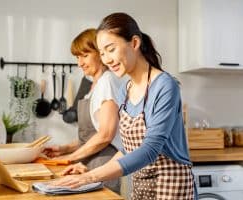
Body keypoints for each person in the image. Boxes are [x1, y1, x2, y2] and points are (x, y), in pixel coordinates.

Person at [50, 13, 197, 200]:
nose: (107, 59)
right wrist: (91, 169)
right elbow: (129, 148)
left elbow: (150, 149)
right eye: (102, 53)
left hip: (171, 186)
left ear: (134, 43)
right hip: (141, 185)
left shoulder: (164, 85)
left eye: (111, 49)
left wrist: (91, 176)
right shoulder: (125, 90)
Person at [43, 28, 122, 193]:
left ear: (100, 53)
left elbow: (106, 135)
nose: (80, 63)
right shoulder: (93, 86)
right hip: (85, 164)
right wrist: (64, 149)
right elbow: (91, 134)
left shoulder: (108, 82)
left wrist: (70, 157)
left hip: (103, 164)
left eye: (85, 56)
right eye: (77, 57)